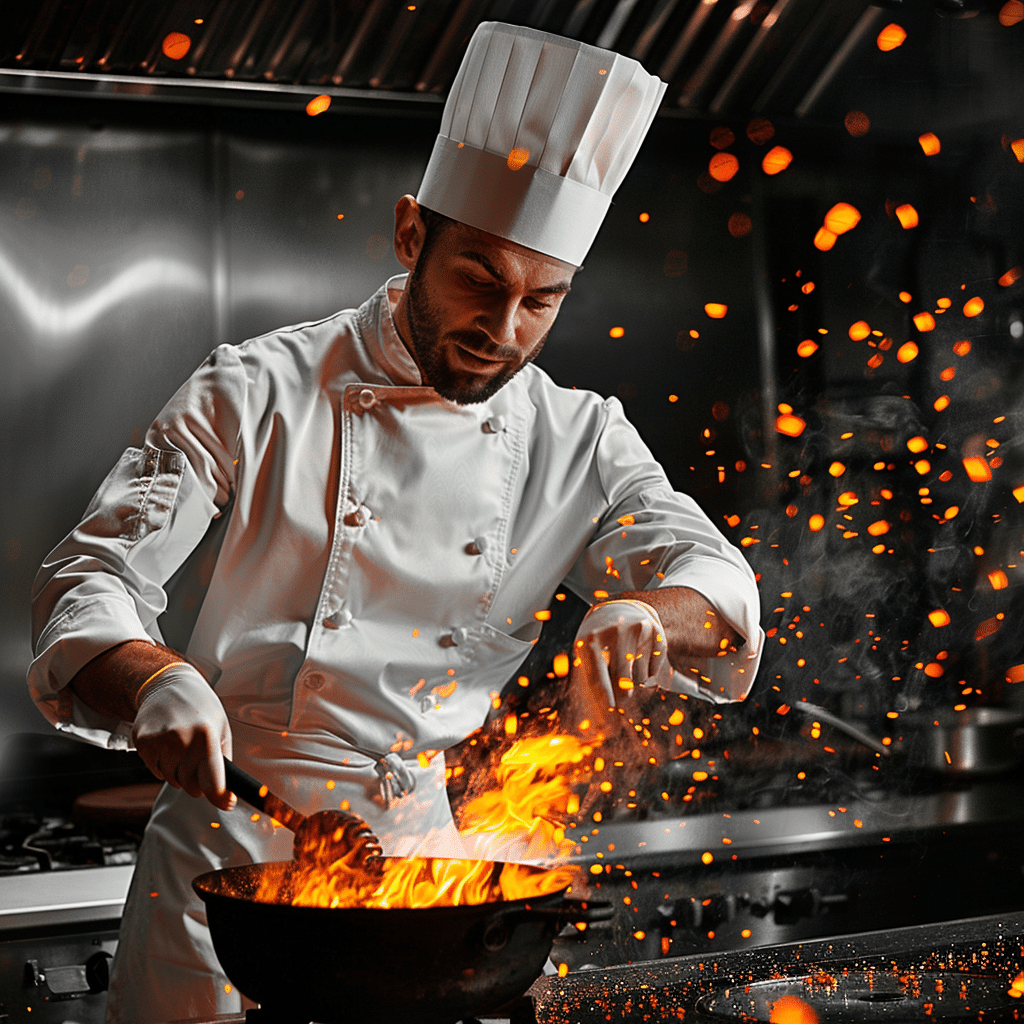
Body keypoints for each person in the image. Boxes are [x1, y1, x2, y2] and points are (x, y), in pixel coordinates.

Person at [28, 21, 763, 1024]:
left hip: (421, 867)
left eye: (541, 302)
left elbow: (710, 574)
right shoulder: (257, 388)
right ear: (412, 233)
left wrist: (646, 613)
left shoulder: (577, 434)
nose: (503, 332)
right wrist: (153, 677)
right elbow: (91, 578)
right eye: (479, 282)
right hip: (226, 846)